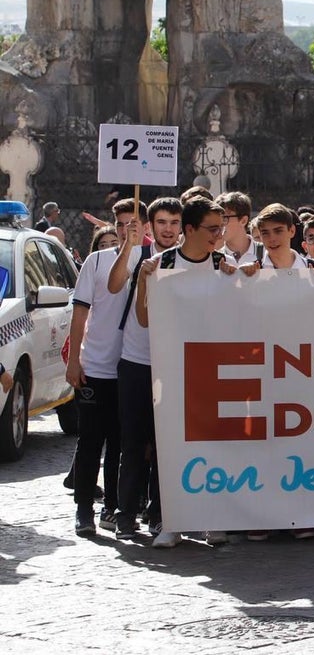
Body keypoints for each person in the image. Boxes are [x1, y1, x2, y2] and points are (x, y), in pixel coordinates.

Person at [132, 197, 235, 547]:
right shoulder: (162, 263)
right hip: (173, 369)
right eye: (211, 229)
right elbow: (144, 319)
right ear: (189, 230)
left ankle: (212, 518)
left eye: (221, 229)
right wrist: (146, 281)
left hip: (213, 368)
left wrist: (246, 280)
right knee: (170, 445)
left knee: (213, 443)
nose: (218, 235)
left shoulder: (224, 264)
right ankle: (169, 520)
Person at [65, 198, 145, 536]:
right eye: (123, 223)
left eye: (135, 223)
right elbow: (80, 312)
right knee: (90, 440)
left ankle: (112, 505)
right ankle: (84, 505)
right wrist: (73, 360)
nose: (129, 229)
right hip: (96, 366)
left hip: (132, 365)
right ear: (114, 225)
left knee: (122, 443)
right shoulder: (97, 262)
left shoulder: (153, 259)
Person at [216, 191, 264, 265]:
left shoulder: (266, 252)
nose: (220, 224)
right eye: (217, 219)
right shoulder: (215, 258)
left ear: (243, 221)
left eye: (225, 218)